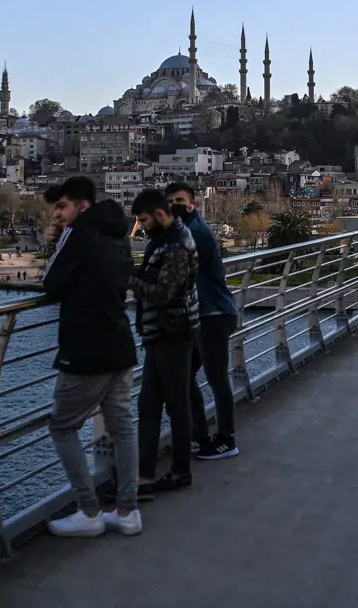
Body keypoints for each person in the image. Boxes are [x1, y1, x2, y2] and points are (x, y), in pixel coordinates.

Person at [40, 177, 142, 538]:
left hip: (86, 349)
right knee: (123, 427)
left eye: (62, 207)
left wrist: (53, 243)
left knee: (62, 426)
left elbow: (50, 284)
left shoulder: (79, 233)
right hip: (120, 343)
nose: (58, 215)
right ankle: (128, 511)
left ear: (81, 206)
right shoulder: (117, 233)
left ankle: (89, 511)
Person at [129, 188, 200, 496]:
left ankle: (180, 471)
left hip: (174, 334)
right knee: (148, 405)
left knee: (176, 404)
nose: (141, 226)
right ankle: (144, 475)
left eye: (144, 220)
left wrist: (127, 278)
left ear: (159, 215)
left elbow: (162, 292)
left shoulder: (177, 245)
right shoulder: (164, 240)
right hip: (160, 335)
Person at [165, 181, 240, 461]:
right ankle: (200, 435)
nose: (175, 206)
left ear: (192, 204)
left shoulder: (194, 233)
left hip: (214, 315)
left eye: (180, 201)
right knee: (185, 376)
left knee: (216, 378)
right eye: (170, 201)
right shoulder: (186, 231)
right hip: (202, 316)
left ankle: (226, 438)